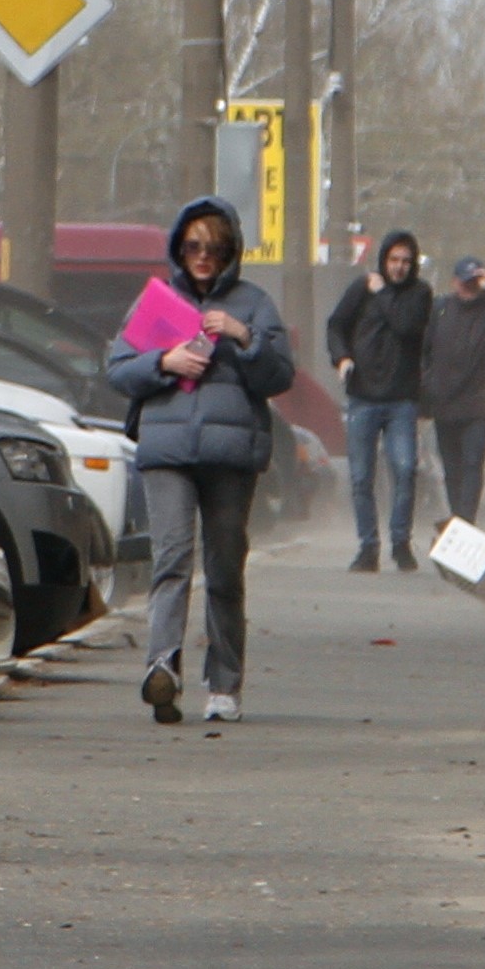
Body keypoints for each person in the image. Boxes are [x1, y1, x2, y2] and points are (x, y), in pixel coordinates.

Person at [108, 196, 295, 726]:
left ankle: (224, 683)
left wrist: (244, 337)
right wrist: (162, 362)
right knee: (171, 560)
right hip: (167, 450)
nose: (203, 256)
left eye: (213, 247)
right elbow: (117, 368)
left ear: (230, 250)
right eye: (193, 246)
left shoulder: (254, 303)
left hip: (230, 456)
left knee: (223, 569)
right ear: (179, 248)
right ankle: (161, 668)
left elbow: (280, 375)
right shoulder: (159, 302)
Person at [325, 230, 433, 572]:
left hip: (402, 398)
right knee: (360, 476)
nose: (399, 268)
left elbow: (405, 326)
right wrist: (341, 358)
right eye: (393, 261)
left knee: (404, 470)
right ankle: (368, 546)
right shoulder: (362, 288)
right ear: (383, 260)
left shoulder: (420, 294)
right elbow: (336, 325)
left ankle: (400, 542)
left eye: (405, 262)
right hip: (362, 397)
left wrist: (383, 292)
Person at [418, 256, 485, 528]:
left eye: (474, 282)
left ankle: (465, 521)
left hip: (478, 406)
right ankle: (458, 517)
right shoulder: (440, 309)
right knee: (451, 469)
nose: (469, 288)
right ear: (454, 282)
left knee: (473, 464)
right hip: (445, 404)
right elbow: (423, 351)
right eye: (465, 281)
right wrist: (426, 389)